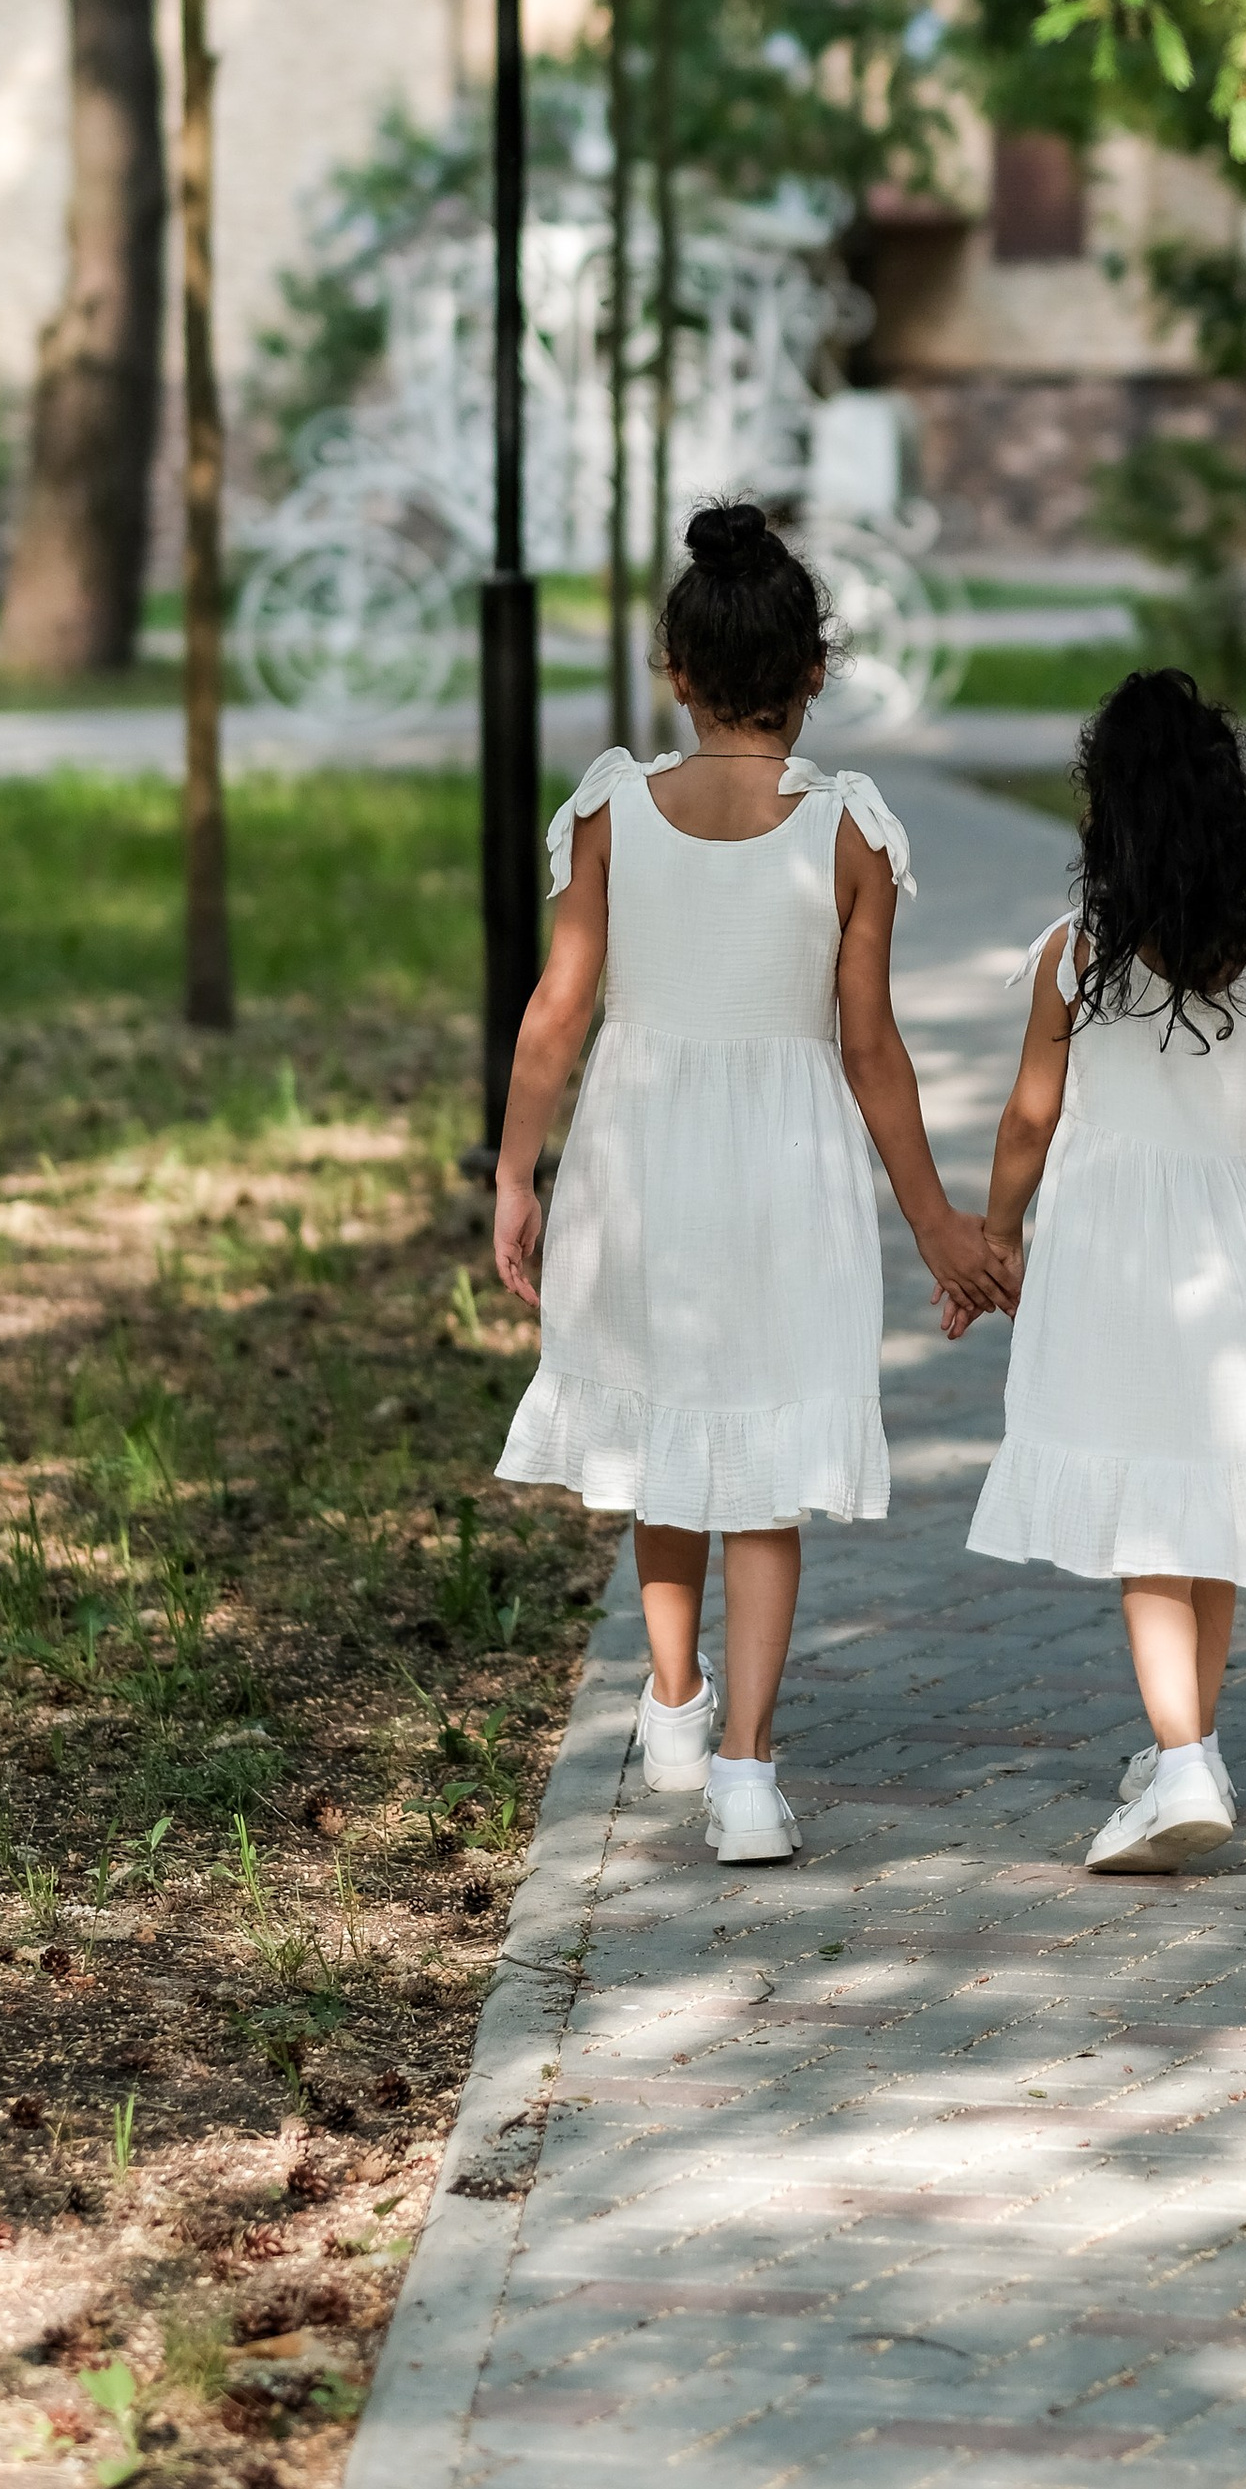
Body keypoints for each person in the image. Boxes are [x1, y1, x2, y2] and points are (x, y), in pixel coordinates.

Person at [489, 499, 1005, 1862]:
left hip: (639, 1153)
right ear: (815, 673)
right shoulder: (846, 831)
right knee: (761, 1465)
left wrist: (513, 1173)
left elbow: (557, 1012)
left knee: (670, 1435)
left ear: (676, 671)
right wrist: (938, 1222)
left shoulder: (611, 811)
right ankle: (748, 1774)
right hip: (789, 1162)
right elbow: (874, 1049)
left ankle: (672, 1696)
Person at [957, 668, 1246, 1872]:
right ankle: (1190, 1747)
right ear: (1230, 810)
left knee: (1147, 1513)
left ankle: (1179, 1765)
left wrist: (992, 1237)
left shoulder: (1078, 953)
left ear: (1104, 811)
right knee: (1208, 1493)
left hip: (1112, 1245)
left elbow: (1025, 1119)